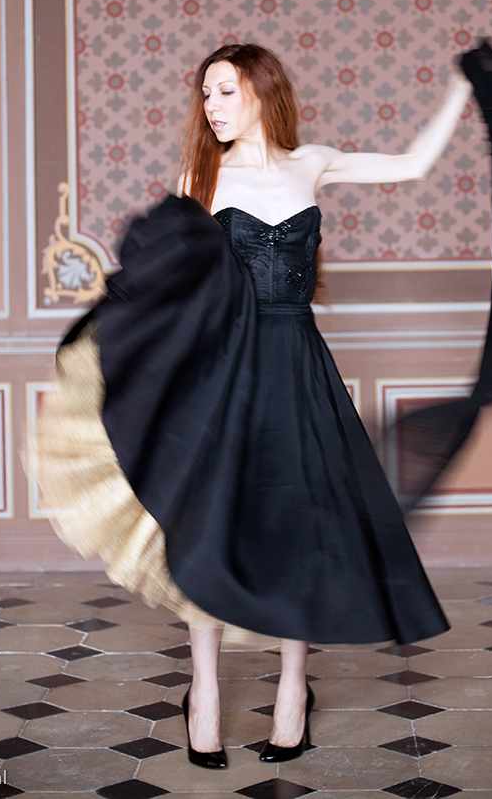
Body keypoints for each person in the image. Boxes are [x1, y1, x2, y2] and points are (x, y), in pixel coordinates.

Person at [35, 42, 470, 769]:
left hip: (297, 369)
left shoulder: (313, 163)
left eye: (225, 91)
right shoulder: (200, 178)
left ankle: (293, 691)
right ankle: (203, 691)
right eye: (205, 94)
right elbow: (165, 280)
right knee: (210, 523)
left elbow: (415, 164)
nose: (211, 106)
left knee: (300, 524)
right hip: (222, 375)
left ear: (262, 92)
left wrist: (462, 88)